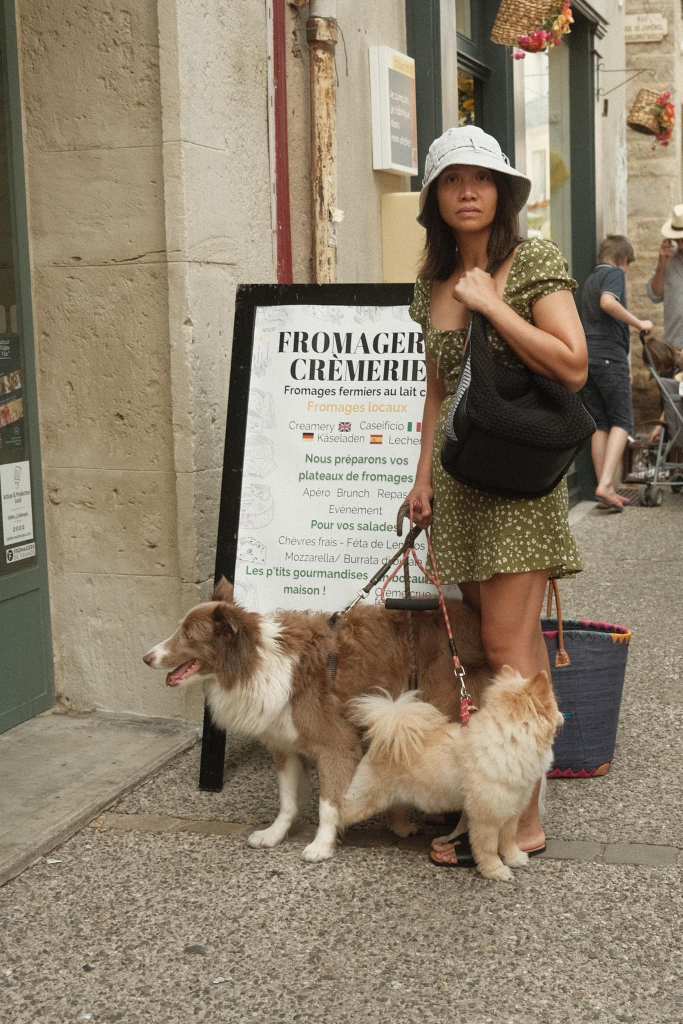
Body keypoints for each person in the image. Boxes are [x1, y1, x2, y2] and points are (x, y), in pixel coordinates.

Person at [406, 125, 588, 868]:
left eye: (482, 179)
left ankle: (521, 819)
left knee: (511, 650)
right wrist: (421, 477)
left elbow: (573, 365)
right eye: (452, 180)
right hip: (461, 483)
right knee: (498, 649)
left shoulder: (533, 261)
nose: (468, 192)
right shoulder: (430, 284)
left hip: (517, 482)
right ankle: (500, 803)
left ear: (504, 192)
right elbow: (437, 391)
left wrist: (491, 303)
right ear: (435, 200)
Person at [579, 235, 652, 511]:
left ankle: (604, 488)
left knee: (600, 424)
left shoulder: (588, 281)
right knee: (623, 421)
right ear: (622, 260)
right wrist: (639, 323)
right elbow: (608, 303)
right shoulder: (614, 275)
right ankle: (606, 483)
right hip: (610, 356)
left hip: (589, 359)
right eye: (628, 264)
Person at [647, 204, 683, 350]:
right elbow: (655, 295)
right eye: (678, 240)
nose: (681, 245)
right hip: (674, 347)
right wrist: (662, 264)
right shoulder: (669, 260)